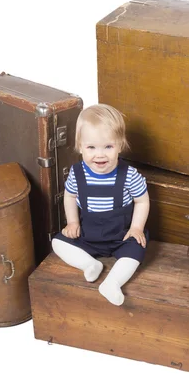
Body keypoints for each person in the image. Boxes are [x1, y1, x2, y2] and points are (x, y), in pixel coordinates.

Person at [51, 103, 150, 306]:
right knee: (57, 242)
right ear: (80, 147)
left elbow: (142, 200)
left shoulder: (129, 175)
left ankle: (112, 283)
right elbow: (69, 197)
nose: (100, 154)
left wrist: (136, 227)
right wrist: (72, 223)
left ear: (120, 145)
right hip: (88, 234)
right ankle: (89, 264)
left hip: (121, 234)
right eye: (91, 147)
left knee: (136, 250)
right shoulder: (77, 174)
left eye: (108, 146)